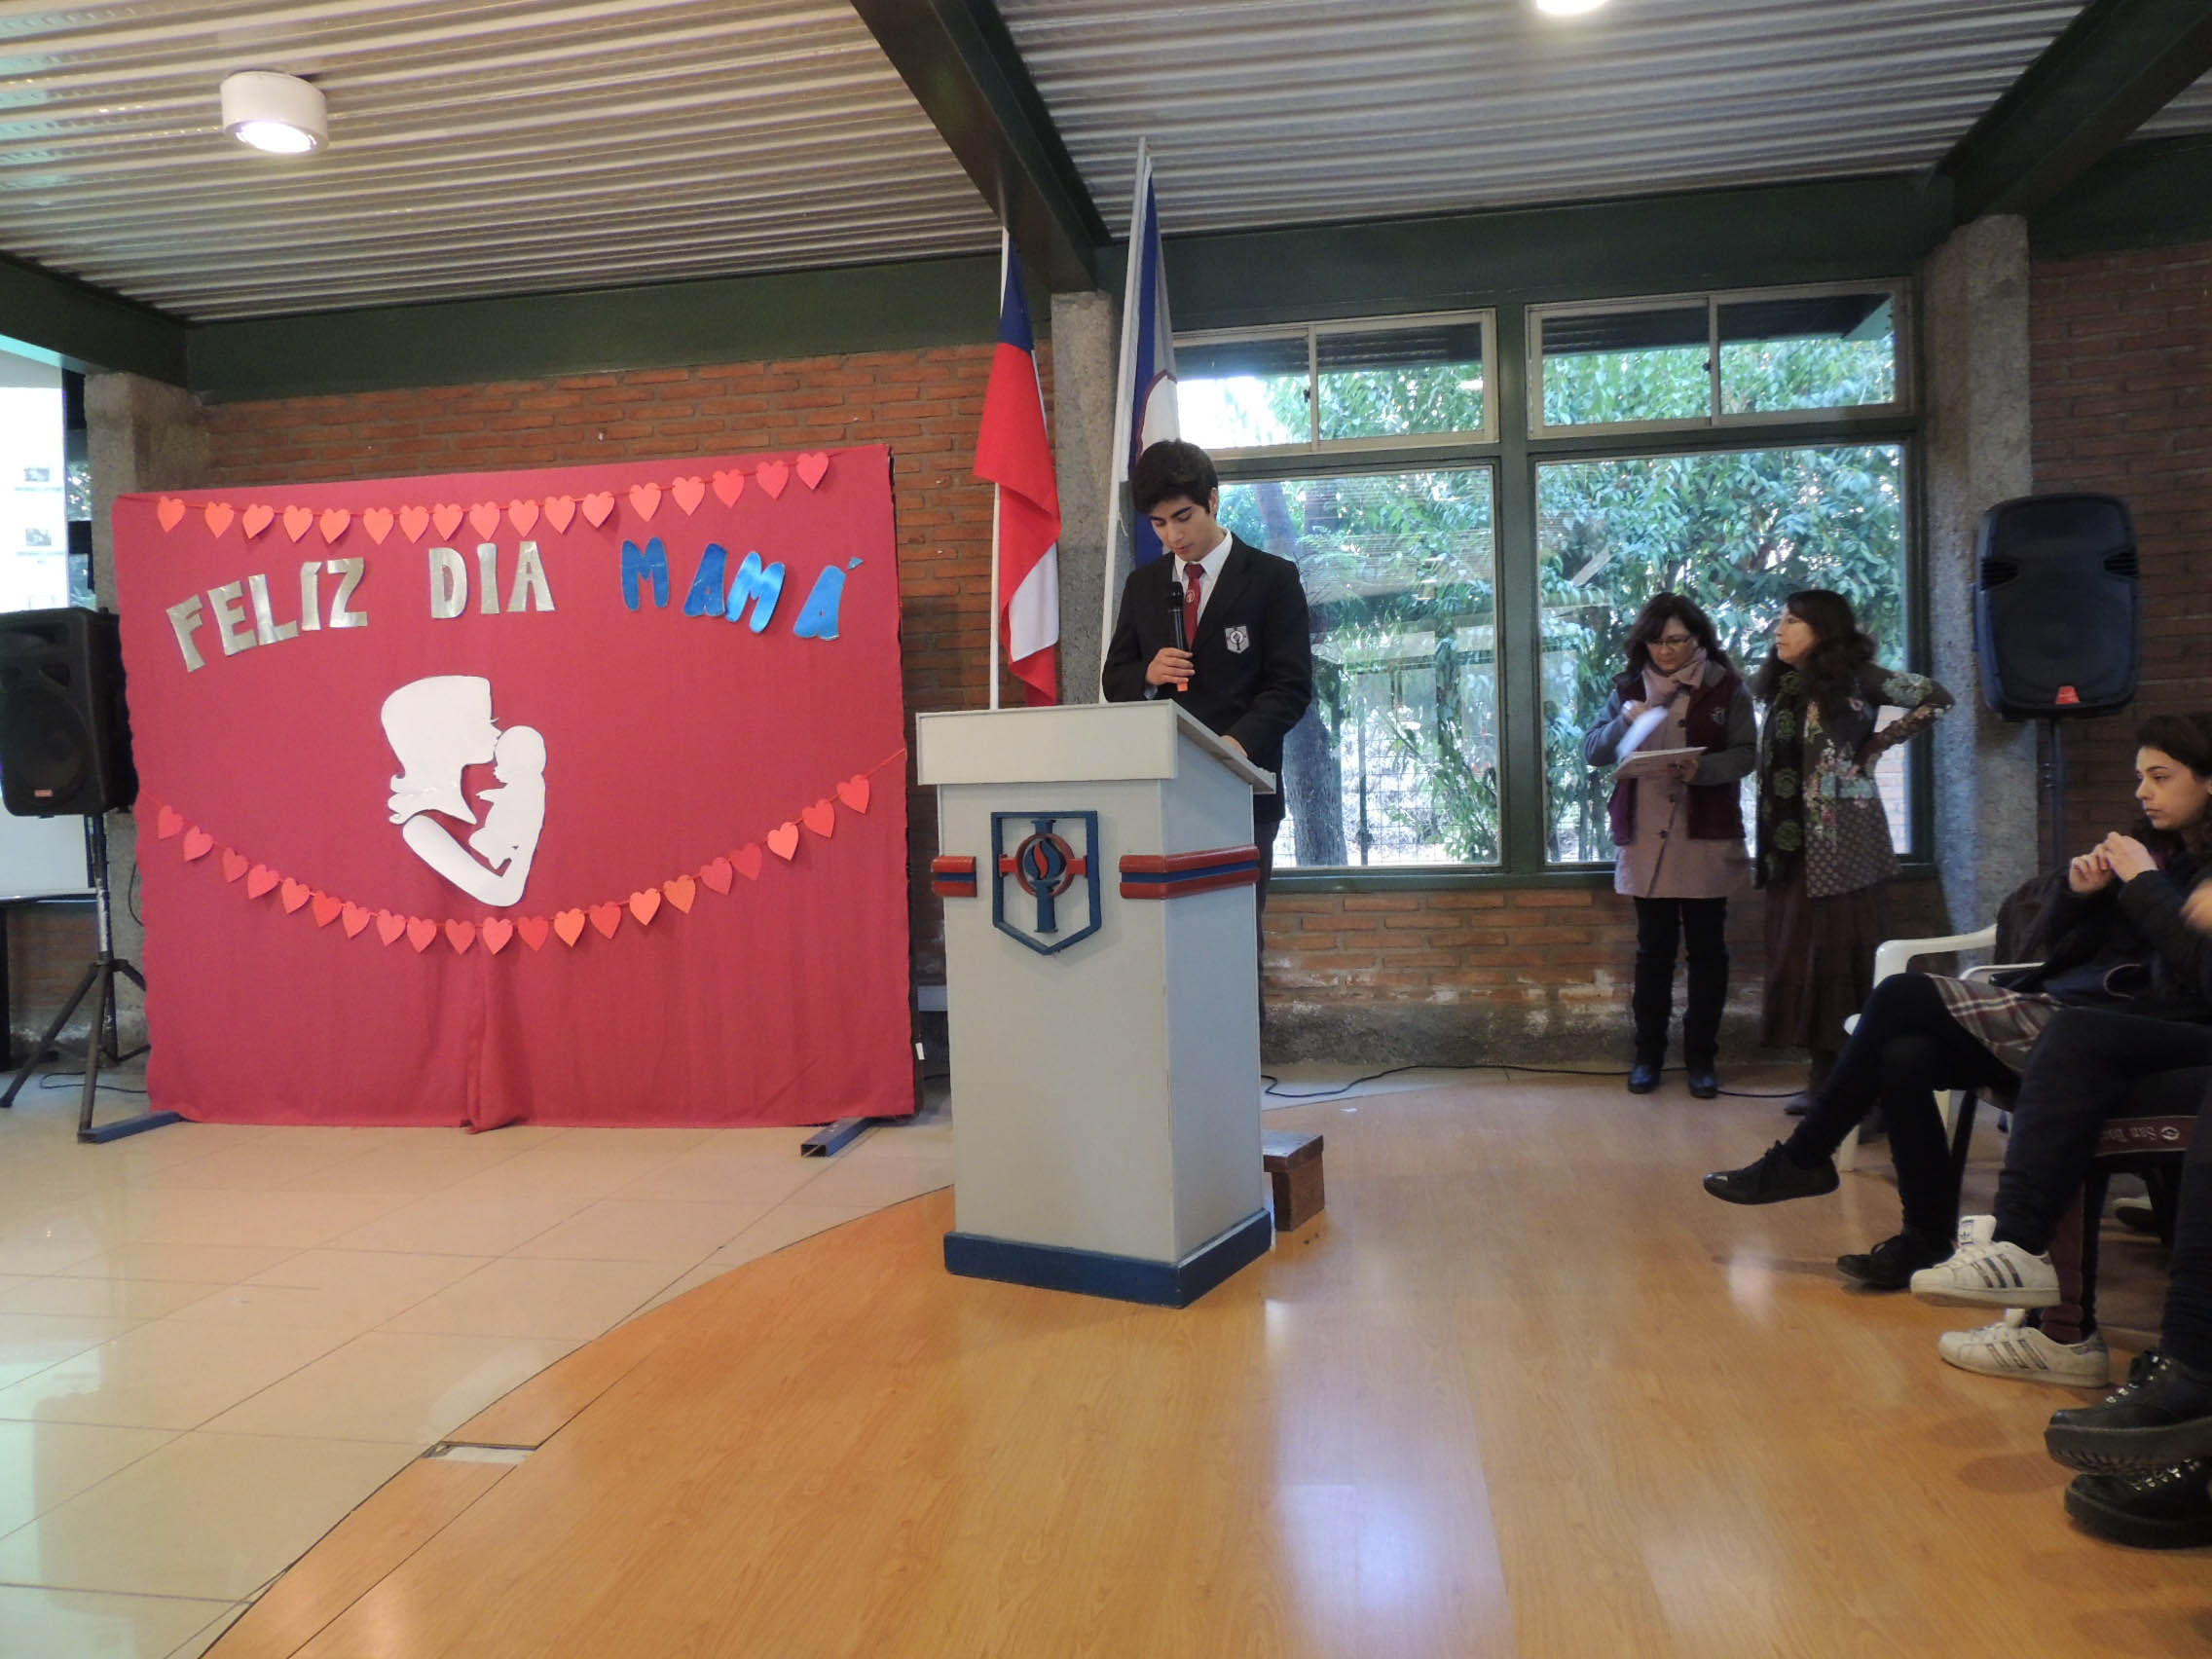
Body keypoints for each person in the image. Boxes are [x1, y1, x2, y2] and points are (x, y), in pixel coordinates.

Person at [1705, 716, 2212, 1290]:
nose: (2143, 792)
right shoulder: (2159, 852)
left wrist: (2145, 884)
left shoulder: (2179, 871)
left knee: (1902, 993)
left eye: (2161, 777)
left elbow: (2196, 974)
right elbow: (2063, 950)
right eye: (2140, 777)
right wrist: (2079, 895)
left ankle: (1806, 1156)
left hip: (2130, 1033)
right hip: (2078, 1011)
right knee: (1905, 1055)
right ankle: (1923, 1239)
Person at [1750, 590, 1952, 1113]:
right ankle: (1825, 1079)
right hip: (1791, 845)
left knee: (1845, 956)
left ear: (1823, 628)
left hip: (1844, 846)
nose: (1779, 630)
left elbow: (1937, 696)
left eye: (1792, 621)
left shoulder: (1859, 677)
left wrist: (1881, 742)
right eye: (1780, 619)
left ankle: (1869, 1090)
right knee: (1805, 957)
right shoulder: (1784, 684)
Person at [1102, 440, 1314, 919]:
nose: (1173, 535)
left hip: (1243, 786)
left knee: (1235, 931)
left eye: (1183, 517)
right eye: (1159, 524)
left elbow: (1291, 686)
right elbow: (1115, 679)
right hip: (1162, 787)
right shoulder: (1144, 585)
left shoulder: (1272, 579)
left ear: (1213, 500)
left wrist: (1234, 747)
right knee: (1166, 931)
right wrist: (1148, 673)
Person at [1581, 594, 1755, 1097]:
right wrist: (1626, 720)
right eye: (1657, 641)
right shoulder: (1628, 688)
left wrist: (1703, 768)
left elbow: (1746, 754)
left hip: (1704, 836)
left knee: (1708, 952)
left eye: (1677, 640)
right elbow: (1593, 750)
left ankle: (1702, 1059)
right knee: (1652, 952)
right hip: (1646, 835)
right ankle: (1648, 1057)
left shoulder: (1727, 687)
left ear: (1698, 638)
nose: (1666, 651)